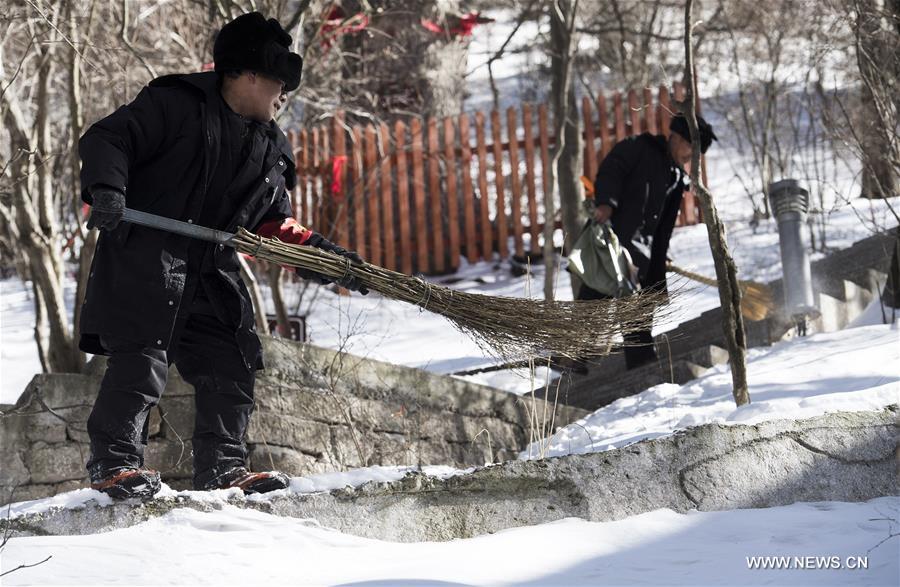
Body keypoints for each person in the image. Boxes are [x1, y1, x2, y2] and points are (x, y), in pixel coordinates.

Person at [79, 12, 365, 500]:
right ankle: (115, 465)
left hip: (211, 271)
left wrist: (329, 260)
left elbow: (274, 227)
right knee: (142, 360)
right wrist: (107, 189)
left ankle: (224, 470)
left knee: (231, 360)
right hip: (148, 260)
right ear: (247, 74)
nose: (283, 95)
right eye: (278, 82)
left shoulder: (271, 146)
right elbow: (109, 138)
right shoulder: (174, 103)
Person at [581, 114, 717, 369]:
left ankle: (642, 362)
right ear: (676, 138)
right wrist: (606, 203)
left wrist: (660, 257)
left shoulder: (677, 179)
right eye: (692, 149)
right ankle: (574, 353)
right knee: (593, 299)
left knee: (639, 309)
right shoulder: (640, 148)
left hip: (640, 254)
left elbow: (662, 227)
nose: (693, 158)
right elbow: (613, 168)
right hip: (613, 241)